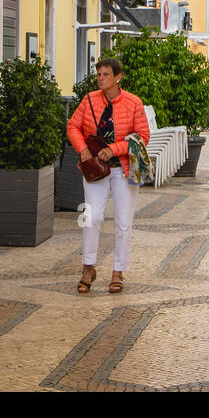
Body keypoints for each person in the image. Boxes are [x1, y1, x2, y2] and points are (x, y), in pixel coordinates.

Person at [67, 57, 150, 295]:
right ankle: (88, 267)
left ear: (118, 77)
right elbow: (73, 126)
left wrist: (113, 149)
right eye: (99, 75)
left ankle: (118, 272)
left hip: (123, 169)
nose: (101, 78)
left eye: (105, 74)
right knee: (91, 218)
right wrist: (82, 149)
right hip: (95, 169)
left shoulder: (133, 103)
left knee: (123, 223)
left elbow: (142, 136)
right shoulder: (89, 99)